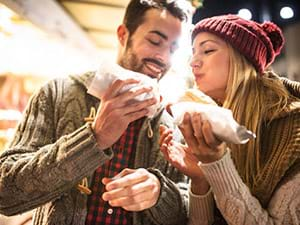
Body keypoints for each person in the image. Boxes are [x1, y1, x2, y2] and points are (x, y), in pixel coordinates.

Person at [0, 1, 192, 225]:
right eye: (155, 41)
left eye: (173, 49)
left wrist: (160, 194)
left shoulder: (171, 120)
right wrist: (94, 138)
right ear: (123, 35)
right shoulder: (57, 92)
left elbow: (188, 211)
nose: (163, 58)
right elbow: (6, 193)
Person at [159, 14, 300, 224]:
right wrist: (200, 180)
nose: (193, 62)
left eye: (207, 50)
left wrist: (216, 164)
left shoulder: (294, 130)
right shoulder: (210, 121)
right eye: (193, 52)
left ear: (242, 60)